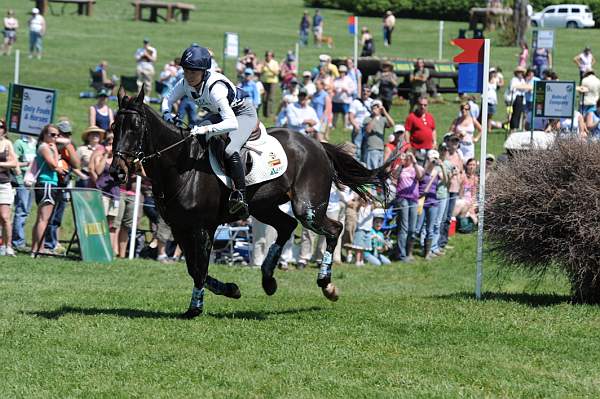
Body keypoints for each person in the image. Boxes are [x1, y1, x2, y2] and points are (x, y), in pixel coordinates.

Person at [162, 45, 258, 218]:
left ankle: (240, 195)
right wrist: (167, 114)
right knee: (193, 139)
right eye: (186, 71)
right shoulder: (185, 83)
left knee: (229, 149)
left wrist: (206, 128)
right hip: (218, 114)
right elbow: (167, 100)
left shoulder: (216, 88)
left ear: (203, 71)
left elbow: (231, 123)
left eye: (193, 72)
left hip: (242, 114)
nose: (188, 76)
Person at [44, 119, 81, 253]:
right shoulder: (50, 144)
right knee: (49, 216)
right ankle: (48, 243)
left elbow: (77, 164)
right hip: (51, 182)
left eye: (68, 134)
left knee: (57, 217)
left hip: (64, 183)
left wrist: (69, 146)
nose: (66, 137)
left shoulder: (69, 145)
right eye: (63, 134)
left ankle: (53, 242)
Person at [31, 125, 64, 256]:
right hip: (47, 183)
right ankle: (40, 249)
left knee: (40, 218)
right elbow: (54, 165)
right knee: (44, 219)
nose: (55, 137)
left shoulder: (45, 146)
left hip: (46, 183)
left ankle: (35, 249)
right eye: (52, 134)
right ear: (44, 134)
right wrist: (55, 150)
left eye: (57, 135)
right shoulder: (45, 147)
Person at [90, 132, 120, 254]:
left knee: (111, 223)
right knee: (100, 220)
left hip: (115, 195)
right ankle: (97, 247)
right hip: (103, 193)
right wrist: (106, 155)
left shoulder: (119, 159)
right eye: (109, 143)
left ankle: (108, 248)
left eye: (114, 144)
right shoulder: (101, 156)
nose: (112, 146)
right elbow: (98, 170)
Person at [394, 151, 422, 262]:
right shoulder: (400, 167)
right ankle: (401, 254)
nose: (408, 158)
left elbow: (420, 177)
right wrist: (401, 163)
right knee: (404, 227)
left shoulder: (415, 167)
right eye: (406, 156)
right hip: (402, 199)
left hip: (414, 199)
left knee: (412, 228)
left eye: (409, 157)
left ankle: (408, 253)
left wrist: (414, 162)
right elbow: (394, 176)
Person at [11, 131, 37, 250]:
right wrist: (27, 163)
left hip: (33, 181)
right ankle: (17, 242)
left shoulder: (36, 143)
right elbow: (14, 162)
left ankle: (18, 239)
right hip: (21, 180)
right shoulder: (19, 142)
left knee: (26, 211)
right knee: (21, 209)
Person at [0, 119, 17, 256]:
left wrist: (1, 165)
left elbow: (14, 162)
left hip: (4, 184)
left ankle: (8, 246)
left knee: (5, 217)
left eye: (1, 127)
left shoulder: (7, 144)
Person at [363, 99, 394, 169]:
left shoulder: (383, 119)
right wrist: (375, 117)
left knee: (379, 171)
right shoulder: (368, 118)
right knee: (372, 171)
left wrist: (385, 112)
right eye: (375, 107)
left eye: (378, 107)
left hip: (381, 149)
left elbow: (392, 124)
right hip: (372, 148)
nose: (376, 108)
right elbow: (368, 130)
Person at [404, 97, 436, 162]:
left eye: (425, 105)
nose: (423, 107)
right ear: (417, 105)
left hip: (429, 148)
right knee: (419, 167)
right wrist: (408, 144)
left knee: (428, 168)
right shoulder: (411, 117)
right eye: (421, 105)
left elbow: (433, 130)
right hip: (417, 148)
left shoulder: (430, 116)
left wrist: (435, 141)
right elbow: (407, 131)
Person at [348, 86, 373, 161]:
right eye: (364, 91)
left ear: (370, 93)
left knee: (366, 147)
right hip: (358, 127)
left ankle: (364, 165)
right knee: (356, 148)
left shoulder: (372, 102)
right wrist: (355, 125)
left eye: (368, 91)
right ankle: (356, 163)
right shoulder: (355, 102)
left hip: (368, 128)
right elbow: (351, 116)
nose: (365, 93)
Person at [332, 64, 355, 129]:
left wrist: (346, 90)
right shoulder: (336, 80)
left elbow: (352, 89)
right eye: (340, 72)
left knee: (345, 114)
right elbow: (333, 87)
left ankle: (345, 126)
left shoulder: (349, 80)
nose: (341, 73)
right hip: (336, 99)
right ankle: (334, 125)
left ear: (345, 72)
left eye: (343, 72)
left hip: (345, 100)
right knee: (335, 113)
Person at [259, 50, 280, 118]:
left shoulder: (274, 63)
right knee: (264, 98)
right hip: (264, 81)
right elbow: (260, 72)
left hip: (272, 82)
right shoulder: (263, 62)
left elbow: (276, 73)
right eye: (267, 55)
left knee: (270, 98)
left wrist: (268, 67)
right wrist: (262, 67)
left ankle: (269, 113)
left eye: (269, 56)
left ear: (272, 57)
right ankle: (265, 113)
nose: (268, 57)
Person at [508, 66, 529, 131]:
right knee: (515, 113)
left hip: (522, 97)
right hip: (516, 98)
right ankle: (513, 127)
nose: (520, 74)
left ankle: (517, 127)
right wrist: (521, 87)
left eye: (521, 73)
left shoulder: (522, 80)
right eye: (519, 72)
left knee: (520, 113)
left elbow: (525, 89)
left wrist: (521, 87)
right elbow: (512, 88)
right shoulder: (514, 79)